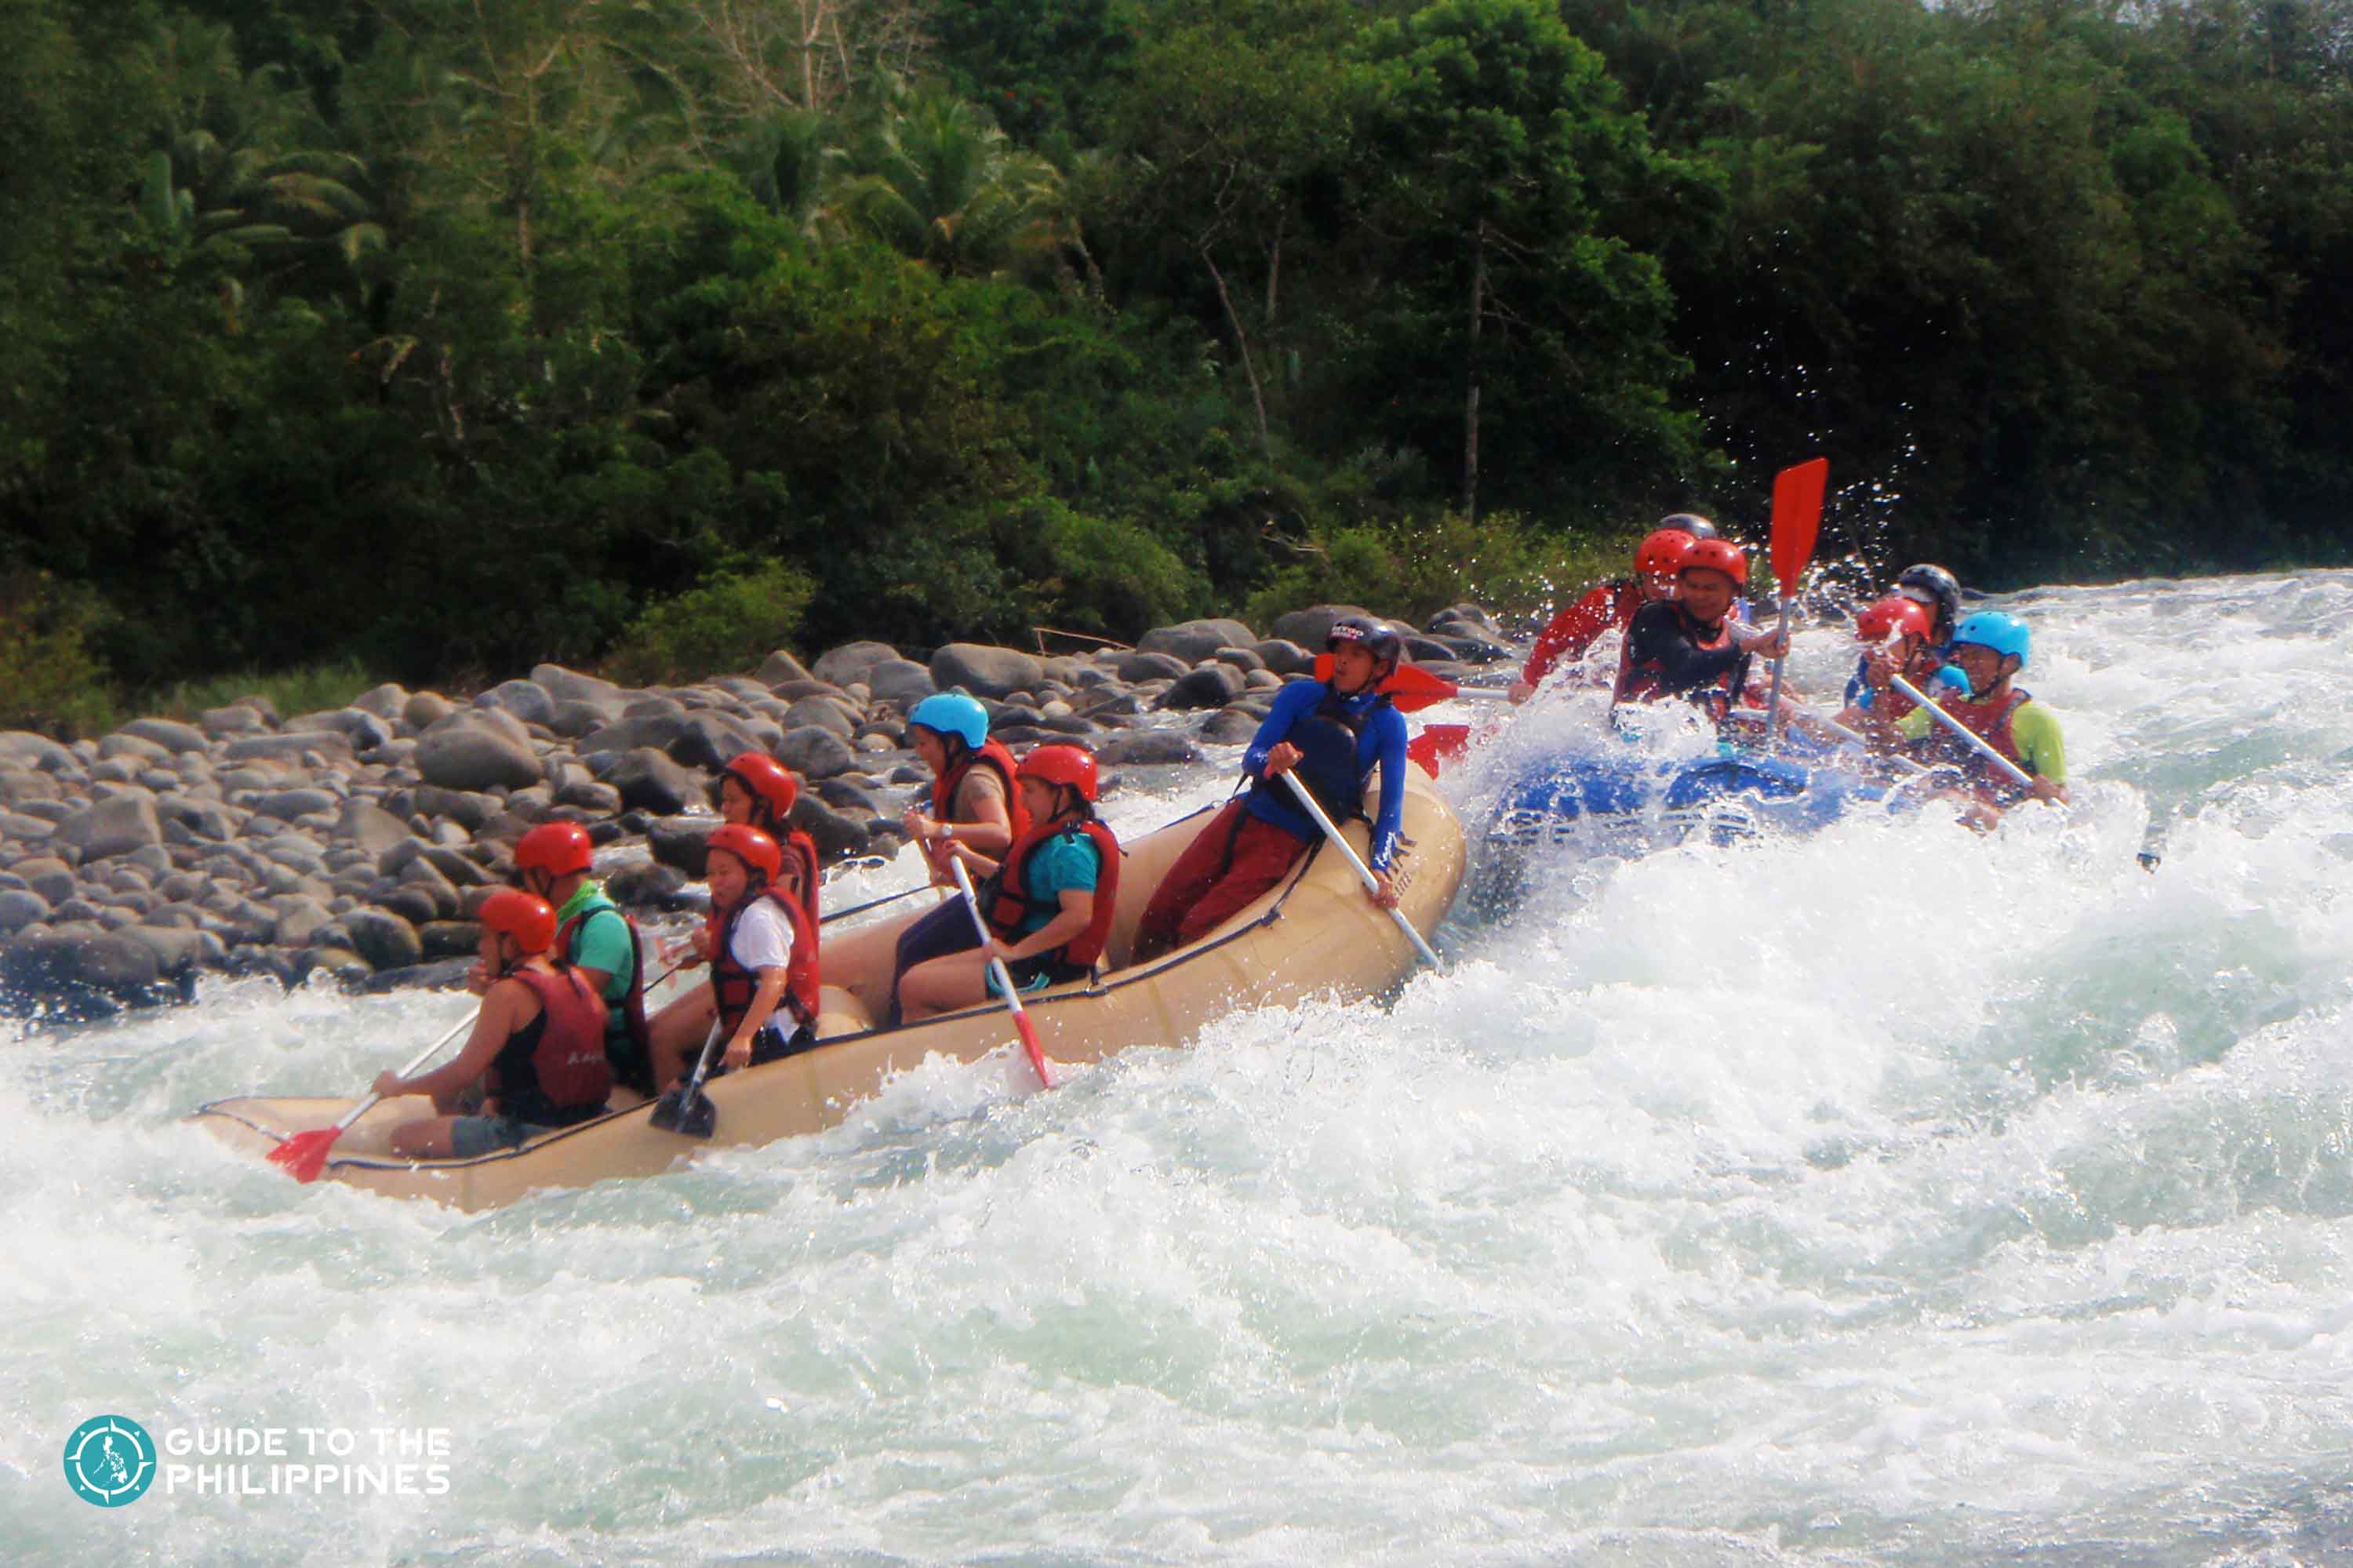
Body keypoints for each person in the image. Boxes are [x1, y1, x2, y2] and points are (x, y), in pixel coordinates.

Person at [1133, 616, 1410, 962]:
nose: (1342, 661)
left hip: (1288, 840)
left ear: (1380, 667)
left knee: (1199, 926)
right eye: (1340, 651)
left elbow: (1391, 807)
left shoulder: (1388, 723)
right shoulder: (1300, 695)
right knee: (1161, 912)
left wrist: (1380, 863)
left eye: (1356, 655)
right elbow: (1253, 757)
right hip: (1243, 817)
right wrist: (1273, 763)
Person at [376, 890, 611, 1158]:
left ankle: (470, 1163)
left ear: (509, 944)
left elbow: (462, 1074)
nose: (480, 948)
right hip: (588, 1116)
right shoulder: (577, 980)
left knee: (403, 1138)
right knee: (451, 1096)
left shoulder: (507, 993)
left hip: (529, 1130)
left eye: (486, 937)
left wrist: (400, 1088)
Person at [897, 744, 1120, 1020]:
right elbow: (1014, 882)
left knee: (913, 987)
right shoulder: (1054, 841)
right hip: (1028, 956)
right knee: (914, 975)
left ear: (1062, 795)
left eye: (1030, 791)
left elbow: (1078, 917)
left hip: (1042, 970)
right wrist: (968, 857)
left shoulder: (1070, 851)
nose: (1023, 801)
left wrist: (1015, 952)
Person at [866, 693, 1035, 1023]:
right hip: (992, 887)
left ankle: (901, 1031)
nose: (919, 751)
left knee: (914, 950)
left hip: (1007, 901)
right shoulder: (962, 771)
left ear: (953, 743)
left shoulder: (976, 781)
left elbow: (1001, 833)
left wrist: (938, 828)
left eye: (925, 743)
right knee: (909, 944)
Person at [648, 824, 820, 1090]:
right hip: (759, 1032)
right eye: (711, 874)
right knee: (680, 1086)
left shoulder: (759, 916)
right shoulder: (741, 914)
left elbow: (775, 980)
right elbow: (742, 964)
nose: (715, 881)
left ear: (754, 873)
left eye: (725, 872)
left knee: (676, 1091)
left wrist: (743, 1037)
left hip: (778, 1037)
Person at [509, 822, 653, 1095]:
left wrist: (510, 994)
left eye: (526, 876)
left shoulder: (603, 924)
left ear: (545, 874)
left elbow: (579, 1002)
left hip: (607, 1058)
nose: (524, 886)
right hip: (561, 1050)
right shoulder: (555, 918)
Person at [1897, 610, 2068, 826]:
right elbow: (1884, 743)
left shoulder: (2038, 721)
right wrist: (1880, 690)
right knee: (1924, 789)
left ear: (2010, 663)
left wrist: (2051, 793)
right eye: (1964, 655)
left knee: (1957, 804)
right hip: (1946, 807)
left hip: (2001, 820)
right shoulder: (1940, 708)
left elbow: (2061, 800)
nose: (1968, 663)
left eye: (1977, 656)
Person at [1510, 525, 1699, 701]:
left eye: (1674, 580)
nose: (1666, 588)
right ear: (1642, 578)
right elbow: (1554, 641)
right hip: (1590, 692)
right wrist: (1530, 682)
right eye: (1658, 578)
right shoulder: (1608, 602)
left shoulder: (1704, 612)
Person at [1613, 538, 1788, 723]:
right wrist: (1749, 646)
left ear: (1735, 592)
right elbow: (1686, 667)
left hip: (1697, 735)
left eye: (1711, 588)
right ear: (1681, 585)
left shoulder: (1737, 640)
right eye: (1692, 586)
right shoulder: (1655, 616)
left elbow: (1728, 709)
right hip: (1633, 730)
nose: (1699, 595)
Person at [1835, 595, 1967, 743]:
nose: (1876, 652)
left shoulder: (1950, 678)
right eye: (1870, 643)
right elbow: (1830, 732)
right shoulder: (1880, 688)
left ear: (1915, 640)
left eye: (1884, 640)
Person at [718, 752, 820, 924]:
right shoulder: (744, 850)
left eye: (733, 801)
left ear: (762, 806)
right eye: (724, 800)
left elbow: (781, 925)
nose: (725, 808)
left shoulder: (786, 859)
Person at [1893, 563, 1964, 648]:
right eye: (1905, 600)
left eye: (1921, 601)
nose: (1910, 608)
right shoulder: (1888, 640)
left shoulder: (1964, 649)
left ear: (1944, 613)